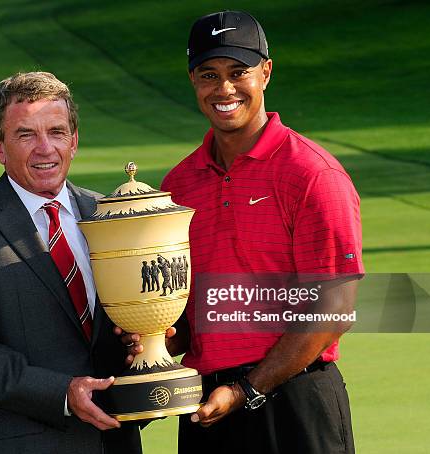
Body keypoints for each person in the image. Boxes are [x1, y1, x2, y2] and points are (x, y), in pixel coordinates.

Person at [120, 10, 363, 454]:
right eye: (209, 74)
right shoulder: (179, 184)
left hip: (296, 403)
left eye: (239, 72)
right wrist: (162, 335)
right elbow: (194, 309)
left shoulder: (311, 174)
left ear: (266, 73)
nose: (224, 89)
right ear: (193, 80)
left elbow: (333, 310)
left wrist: (247, 390)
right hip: (208, 409)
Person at [0, 71, 141, 454]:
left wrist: (144, 339)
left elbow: (135, 316)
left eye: (57, 132)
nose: (45, 148)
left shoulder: (109, 215)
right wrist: (61, 393)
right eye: (26, 134)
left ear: (74, 141)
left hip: (117, 439)